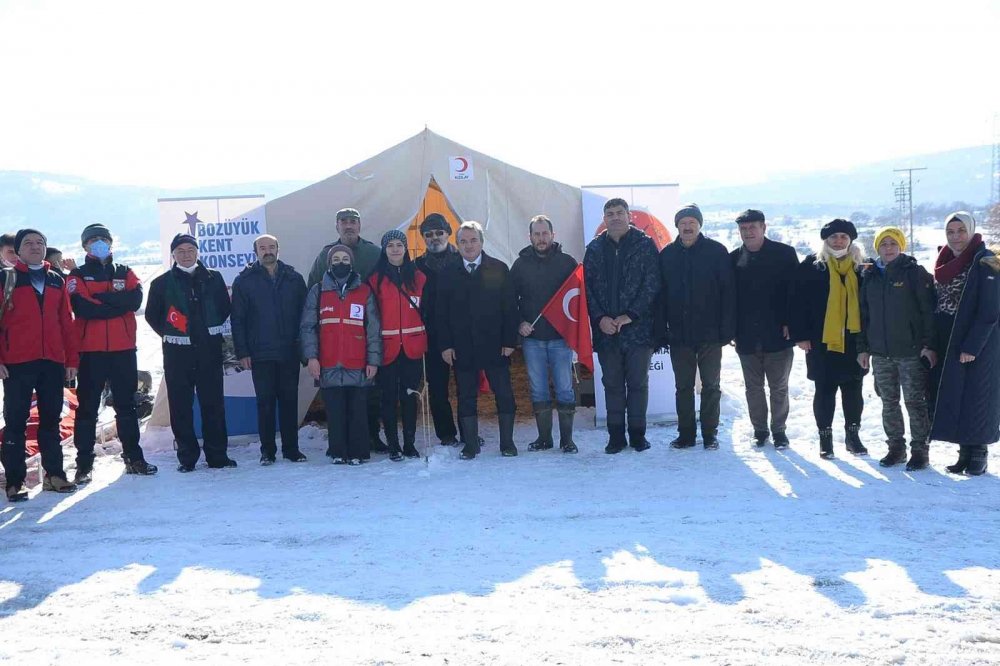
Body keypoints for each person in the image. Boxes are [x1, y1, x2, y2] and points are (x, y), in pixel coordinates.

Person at [67, 223, 157, 483]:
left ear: (111, 243)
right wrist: (115, 303)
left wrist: (102, 299)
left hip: (123, 350)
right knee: (87, 409)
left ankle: (134, 458)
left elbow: (135, 300)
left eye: (103, 239)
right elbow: (83, 308)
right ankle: (84, 465)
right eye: (93, 240)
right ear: (85, 246)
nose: (99, 243)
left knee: (127, 406)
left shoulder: (125, 271)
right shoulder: (77, 275)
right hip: (91, 352)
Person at [0, 229, 79, 501]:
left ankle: (54, 475)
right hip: (17, 362)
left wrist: (71, 360)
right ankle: (15, 481)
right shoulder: (6, 278)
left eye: (40, 243)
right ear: (18, 250)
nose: (35, 247)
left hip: (52, 361)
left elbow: (66, 323)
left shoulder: (56, 280)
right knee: (15, 422)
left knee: (50, 420)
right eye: (28, 243)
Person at [145, 233, 235, 472]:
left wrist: (204, 330)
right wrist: (175, 334)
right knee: (180, 406)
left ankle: (217, 455)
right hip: (177, 354)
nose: (186, 255)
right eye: (181, 251)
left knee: (213, 404)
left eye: (190, 250)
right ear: (173, 255)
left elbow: (224, 307)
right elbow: (153, 316)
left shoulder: (213, 278)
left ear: (197, 252)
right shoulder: (161, 283)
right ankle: (187, 457)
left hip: (209, 349)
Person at [583, 198, 660, 454]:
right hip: (607, 332)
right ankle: (615, 437)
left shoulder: (645, 245)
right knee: (612, 385)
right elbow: (588, 289)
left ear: (629, 217)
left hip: (638, 330)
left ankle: (638, 435)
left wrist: (631, 315)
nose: (615, 217)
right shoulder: (594, 248)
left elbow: (652, 284)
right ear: (604, 219)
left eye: (619, 213)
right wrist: (601, 319)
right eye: (610, 213)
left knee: (638, 384)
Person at [437, 221, 519, 459]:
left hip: (495, 345)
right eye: (463, 241)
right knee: (466, 395)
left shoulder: (499, 268)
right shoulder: (448, 273)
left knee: (504, 393)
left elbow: (509, 308)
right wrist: (445, 345)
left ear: (482, 242)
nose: (469, 245)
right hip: (462, 346)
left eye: (473, 240)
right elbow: (440, 314)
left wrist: (509, 341)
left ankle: (507, 443)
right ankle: (470, 444)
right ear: (457, 244)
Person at [306, 207, 385, 453]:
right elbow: (314, 291)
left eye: (353, 221)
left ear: (360, 226)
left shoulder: (374, 253)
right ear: (337, 226)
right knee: (337, 398)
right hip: (334, 339)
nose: (349, 225)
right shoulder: (325, 255)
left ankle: (371, 436)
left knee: (369, 394)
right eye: (344, 222)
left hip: (368, 331)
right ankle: (339, 443)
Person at [857, 227, 936, 471]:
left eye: (893, 243)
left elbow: (928, 313)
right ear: (877, 247)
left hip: (910, 352)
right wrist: (863, 348)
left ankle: (920, 451)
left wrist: (929, 346)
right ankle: (895, 448)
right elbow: (863, 315)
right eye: (884, 244)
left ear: (901, 246)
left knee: (915, 402)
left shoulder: (914, 272)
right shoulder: (869, 275)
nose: (888, 248)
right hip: (881, 353)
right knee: (888, 402)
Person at [659, 203, 736, 451]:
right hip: (679, 335)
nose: (687, 226)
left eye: (692, 222)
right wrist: (661, 330)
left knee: (711, 386)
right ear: (677, 227)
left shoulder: (716, 252)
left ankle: (710, 433)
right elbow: (659, 296)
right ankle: (686, 434)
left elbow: (728, 293)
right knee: (683, 387)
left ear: (699, 225)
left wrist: (727, 329)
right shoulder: (667, 255)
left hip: (710, 334)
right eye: (683, 223)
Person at [790, 219, 869, 459]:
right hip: (820, 340)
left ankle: (853, 437)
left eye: (843, 237)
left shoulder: (862, 268)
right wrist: (800, 335)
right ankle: (825, 440)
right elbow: (796, 303)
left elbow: (870, 305)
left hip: (855, 341)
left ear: (851, 240)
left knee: (853, 389)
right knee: (824, 390)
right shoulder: (812, 266)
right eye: (833, 237)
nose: (838, 241)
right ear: (825, 240)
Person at [929, 212, 1000, 476]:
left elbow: (990, 311)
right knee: (959, 396)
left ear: (971, 231)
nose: (956, 236)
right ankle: (964, 454)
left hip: (978, 343)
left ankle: (979, 455)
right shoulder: (945, 260)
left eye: (961, 231)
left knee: (978, 398)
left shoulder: (987, 262)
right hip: (950, 337)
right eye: (951, 231)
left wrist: (972, 346)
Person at [231, 233, 308, 466]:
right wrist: (243, 352)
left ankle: (292, 449)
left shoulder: (294, 278)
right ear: (255, 252)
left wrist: (305, 349)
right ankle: (268, 451)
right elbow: (238, 319)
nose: (267, 251)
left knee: (289, 402)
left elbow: (306, 317)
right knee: (265, 404)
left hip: (288, 352)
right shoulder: (244, 281)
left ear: (278, 249)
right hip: (260, 353)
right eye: (262, 247)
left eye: (271, 247)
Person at [511, 214, 580, 453]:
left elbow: (577, 299)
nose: (541, 238)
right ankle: (544, 438)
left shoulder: (567, 263)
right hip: (533, 339)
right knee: (538, 389)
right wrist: (520, 322)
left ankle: (567, 440)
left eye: (544, 233)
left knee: (564, 388)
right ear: (529, 237)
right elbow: (510, 300)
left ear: (553, 235)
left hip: (561, 338)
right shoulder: (519, 265)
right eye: (536, 234)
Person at [730, 209, 798, 449]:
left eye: (752, 227)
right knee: (753, 388)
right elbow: (729, 299)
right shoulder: (733, 259)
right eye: (743, 229)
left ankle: (779, 430)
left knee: (779, 387)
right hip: (746, 336)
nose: (748, 232)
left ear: (763, 228)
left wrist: (793, 323)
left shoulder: (784, 254)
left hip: (778, 334)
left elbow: (795, 293)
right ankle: (760, 429)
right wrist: (731, 330)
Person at [369, 230, 427, 461]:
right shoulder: (375, 280)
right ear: (384, 249)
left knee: (410, 396)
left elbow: (429, 311)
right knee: (389, 398)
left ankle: (410, 443)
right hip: (387, 348)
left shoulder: (420, 277)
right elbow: (371, 317)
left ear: (406, 248)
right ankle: (394, 444)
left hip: (412, 347)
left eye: (399, 245)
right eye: (390, 245)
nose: (395, 249)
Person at [414, 213, 463, 447]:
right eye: (429, 234)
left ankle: (468, 430)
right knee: (437, 388)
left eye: (439, 233)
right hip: (432, 336)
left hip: (463, 334)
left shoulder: (464, 259)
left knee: (466, 386)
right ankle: (446, 434)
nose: (435, 238)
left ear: (448, 233)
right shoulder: (417, 267)